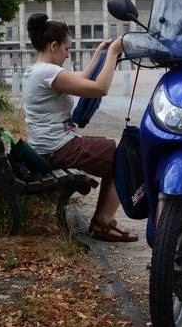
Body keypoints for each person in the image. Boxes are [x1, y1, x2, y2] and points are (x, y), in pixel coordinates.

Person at [22, 13, 137, 243]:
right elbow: (100, 88)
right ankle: (103, 223)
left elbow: (83, 78)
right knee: (121, 155)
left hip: (49, 146)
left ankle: (103, 220)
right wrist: (113, 53)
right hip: (57, 148)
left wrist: (99, 54)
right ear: (53, 46)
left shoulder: (37, 71)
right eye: (66, 49)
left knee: (113, 149)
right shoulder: (49, 73)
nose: (67, 54)